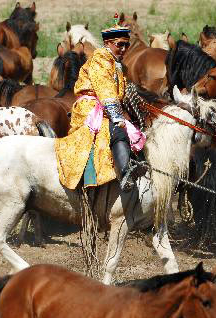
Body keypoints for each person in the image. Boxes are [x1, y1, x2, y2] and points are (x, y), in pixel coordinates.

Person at [55, 13, 135, 193]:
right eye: (119, 44)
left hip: (104, 105)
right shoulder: (101, 60)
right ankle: (125, 174)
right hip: (91, 107)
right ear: (108, 44)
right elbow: (105, 90)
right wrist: (117, 116)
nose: (123, 49)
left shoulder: (116, 63)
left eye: (126, 45)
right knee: (117, 131)